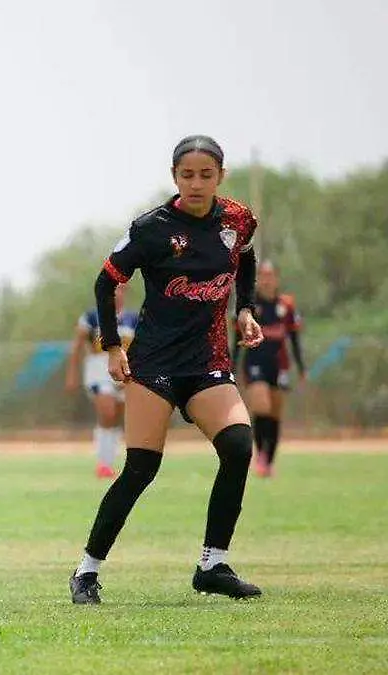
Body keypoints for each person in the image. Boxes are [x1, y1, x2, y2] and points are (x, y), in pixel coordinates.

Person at [68, 135, 265, 604]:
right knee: (141, 469)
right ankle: (86, 572)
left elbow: (246, 259)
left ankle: (212, 565)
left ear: (221, 176)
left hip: (207, 361)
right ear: (174, 177)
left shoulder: (238, 220)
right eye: (186, 175)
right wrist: (112, 347)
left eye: (206, 175)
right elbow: (105, 282)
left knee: (238, 447)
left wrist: (246, 309)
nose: (196, 183)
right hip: (154, 364)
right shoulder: (152, 228)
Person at [235, 261, 305, 478]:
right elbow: (237, 337)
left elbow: (294, 339)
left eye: (270, 275)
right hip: (255, 362)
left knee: (275, 412)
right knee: (261, 406)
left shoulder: (286, 305)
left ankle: (269, 460)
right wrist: (232, 365)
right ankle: (261, 456)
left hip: (279, 364)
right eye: (263, 275)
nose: (266, 279)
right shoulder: (250, 306)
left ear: (276, 278)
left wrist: (301, 367)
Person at [65, 284, 139, 478]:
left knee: (117, 418)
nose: (117, 293)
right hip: (98, 373)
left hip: (124, 375)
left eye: (121, 289)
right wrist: (72, 374)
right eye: (114, 289)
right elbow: (76, 347)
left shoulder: (133, 319)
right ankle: (103, 463)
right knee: (107, 412)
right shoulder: (92, 317)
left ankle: (110, 460)